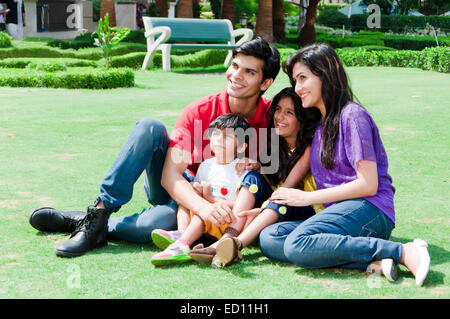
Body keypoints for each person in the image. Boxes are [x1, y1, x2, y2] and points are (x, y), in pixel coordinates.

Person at [29, 37, 281, 259]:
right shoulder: (200, 112)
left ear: (265, 82)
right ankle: (101, 210)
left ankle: (91, 224)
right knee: (149, 127)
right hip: (181, 191)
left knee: (157, 223)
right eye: (235, 65)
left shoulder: (272, 119)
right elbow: (171, 176)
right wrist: (203, 207)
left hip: (221, 207)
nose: (236, 75)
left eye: (249, 72)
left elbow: (272, 179)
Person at [258, 43, 430, 286]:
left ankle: (403, 251)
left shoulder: (352, 116)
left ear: (325, 73)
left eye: (303, 78)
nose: (298, 88)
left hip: (370, 211)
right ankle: (374, 262)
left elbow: (369, 185)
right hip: (337, 215)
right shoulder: (320, 125)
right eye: (295, 80)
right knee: (270, 238)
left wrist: (307, 198)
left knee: (296, 244)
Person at [187, 87, 322, 268]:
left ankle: (233, 242)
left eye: (289, 112)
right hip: (275, 206)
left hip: (304, 207)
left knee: (280, 197)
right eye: (278, 110)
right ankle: (226, 238)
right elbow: (267, 186)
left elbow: (286, 189)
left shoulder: (307, 147)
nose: (280, 117)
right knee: (252, 177)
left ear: (302, 119)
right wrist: (258, 167)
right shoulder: (275, 145)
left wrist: (263, 209)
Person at [151, 113, 271, 266]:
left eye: (227, 137)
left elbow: (242, 207)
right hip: (209, 218)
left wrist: (212, 200)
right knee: (189, 193)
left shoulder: (242, 170)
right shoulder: (205, 166)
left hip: (230, 221)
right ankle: (182, 232)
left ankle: (182, 244)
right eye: (216, 134)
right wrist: (197, 191)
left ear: (241, 146)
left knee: (205, 211)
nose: (220, 139)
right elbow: (197, 199)